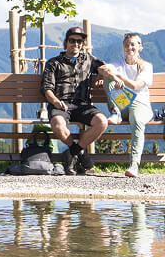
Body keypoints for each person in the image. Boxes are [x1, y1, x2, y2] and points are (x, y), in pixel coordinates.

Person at [41, 26, 113, 175]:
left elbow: (105, 67)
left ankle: (72, 153)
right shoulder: (53, 63)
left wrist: (101, 75)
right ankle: (80, 155)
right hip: (61, 104)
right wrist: (55, 101)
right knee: (57, 124)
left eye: (80, 41)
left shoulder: (89, 59)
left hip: (83, 105)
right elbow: (46, 88)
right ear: (66, 42)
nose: (76, 44)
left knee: (102, 122)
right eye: (72, 40)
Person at [104, 32, 154, 178]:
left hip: (141, 106)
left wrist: (119, 77)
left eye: (133, 44)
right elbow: (102, 69)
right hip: (123, 106)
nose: (129, 47)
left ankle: (134, 165)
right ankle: (115, 112)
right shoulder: (118, 64)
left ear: (140, 47)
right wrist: (112, 76)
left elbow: (135, 86)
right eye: (126, 45)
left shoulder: (146, 66)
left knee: (138, 121)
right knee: (108, 77)